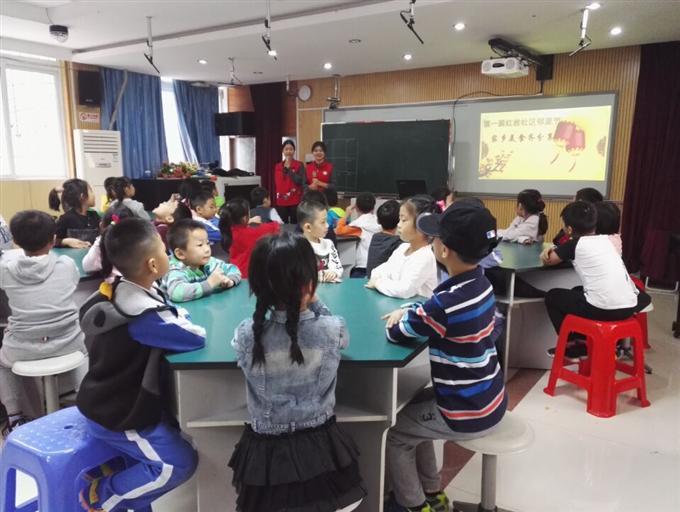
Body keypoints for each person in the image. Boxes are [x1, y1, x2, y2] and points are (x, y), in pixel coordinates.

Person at [381, 202, 507, 512]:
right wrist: (414, 309)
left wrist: (399, 316)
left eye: (435, 237)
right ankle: (432, 492)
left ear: (444, 250)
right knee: (412, 412)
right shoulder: (481, 284)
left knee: (396, 433)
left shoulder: (446, 304)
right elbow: (431, 313)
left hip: (466, 410)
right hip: (489, 397)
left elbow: (398, 332)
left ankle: (412, 505)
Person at [228, 232, 366, 512]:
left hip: (268, 457)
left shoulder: (246, 334)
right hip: (322, 450)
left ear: (257, 285)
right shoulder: (332, 329)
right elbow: (341, 337)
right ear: (309, 282)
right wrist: (314, 301)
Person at [76, 218, 205, 511]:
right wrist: (181, 318)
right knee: (179, 463)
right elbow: (195, 337)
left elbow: (168, 311)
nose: (168, 254)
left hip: (103, 397)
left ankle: (113, 468)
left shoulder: (119, 289)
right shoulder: (143, 317)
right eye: (164, 249)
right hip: (122, 413)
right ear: (152, 264)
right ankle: (102, 495)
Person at [0, 211, 87, 435]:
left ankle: (15, 416)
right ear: (53, 239)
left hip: (22, 347)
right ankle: (86, 402)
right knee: (85, 349)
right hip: (68, 342)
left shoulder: (5, 270)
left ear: (15, 241)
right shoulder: (67, 265)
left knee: (2, 363)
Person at [541, 201, 651, 359]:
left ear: (569, 229)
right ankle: (587, 340)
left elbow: (550, 260)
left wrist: (546, 251)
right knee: (577, 291)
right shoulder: (606, 241)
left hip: (603, 309)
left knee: (553, 296)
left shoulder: (574, 244)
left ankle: (573, 344)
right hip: (629, 307)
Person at [366, 195, 439, 299]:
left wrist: (378, 283)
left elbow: (404, 290)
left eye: (404, 220)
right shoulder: (402, 248)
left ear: (422, 225)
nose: (399, 225)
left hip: (416, 307)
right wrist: (384, 282)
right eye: (399, 219)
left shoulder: (425, 256)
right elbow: (378, 271)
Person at [161, 219, 241, 303]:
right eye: (200, 245)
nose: (207, 249)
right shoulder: (175, 269)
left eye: (207, 243)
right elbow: (177, 293)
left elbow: (233, 269)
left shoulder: (209, 262)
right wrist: (209, 284)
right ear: (180, 254)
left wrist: (229, 280)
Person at [219, 198, 280, 278]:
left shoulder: (227, 231)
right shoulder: (251, 233)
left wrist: (249, 221)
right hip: (250, 274)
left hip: (234, 272)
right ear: (244, 218)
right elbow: (275, 226)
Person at [82, 205, 135, 283]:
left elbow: (87, 266)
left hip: (117, 288)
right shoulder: (139, 244)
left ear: (101, 225)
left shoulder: (101, 246)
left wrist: (100, 239)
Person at [335, 192, 381, 278]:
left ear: (356, 208)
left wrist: (346, 215)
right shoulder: (379, 221)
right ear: (374, 207)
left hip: (363, 267)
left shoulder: (358, 225)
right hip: (377, 264)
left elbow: (339, 231)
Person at [298, 200, 343, 283]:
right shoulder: (298, 247)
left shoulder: (328, 243)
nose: (327, 225)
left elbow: (338, 267)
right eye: (323, 222)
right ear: (308, 227)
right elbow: (301, 275)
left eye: (327, 221)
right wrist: (322, 275)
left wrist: (334, 273)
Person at [49, 178, 100, 248]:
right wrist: (65, 241)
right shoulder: (66, 218)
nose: (94, 195)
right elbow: (51, 241)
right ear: (82, 196)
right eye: (91, 191)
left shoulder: (94, 215)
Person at [366, 199, 401, 278]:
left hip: (370, 280)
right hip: (385, 282)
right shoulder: (399, 243)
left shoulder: (375, 237)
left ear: (378, 220)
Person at [274, 139, 306, 223]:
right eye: (286, 149)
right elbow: (277, 183)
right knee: (282, 225)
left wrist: (289, 170)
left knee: (295, 225)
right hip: (281, 201)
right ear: (283, 151)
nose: (288, 151)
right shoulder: (277, 166)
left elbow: (301, 181)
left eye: (291, 149)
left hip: (295, 201)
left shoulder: (299, 165)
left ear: (294, 151)